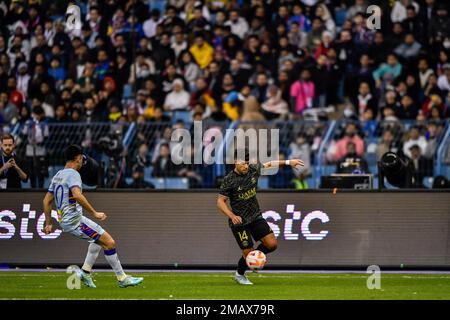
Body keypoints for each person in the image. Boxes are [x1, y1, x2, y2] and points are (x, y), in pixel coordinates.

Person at [42, 145, 144, 288]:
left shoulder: (58, 175)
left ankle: (85, 272)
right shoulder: (73, 174)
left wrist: (48, 223)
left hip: (68, 220)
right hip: (75, 221)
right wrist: (94, 212)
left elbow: (46, 201)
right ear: (78, 158)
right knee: (109, 242)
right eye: (82, 158)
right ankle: (122, 278)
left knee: (97, 241)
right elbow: (77, 195)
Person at [217, 149, 304, 285]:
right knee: (248, 252)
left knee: (271, 244)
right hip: (240, 222)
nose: (246, 166)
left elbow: (270, 164)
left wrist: (288, 162)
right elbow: (220, 202)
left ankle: (253, 259)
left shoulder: (253, 170)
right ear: (235, 162)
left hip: (255, 216)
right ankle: (240, 274)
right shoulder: (229, 180)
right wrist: (232, 215)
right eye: (242, 163)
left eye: (247, 163)